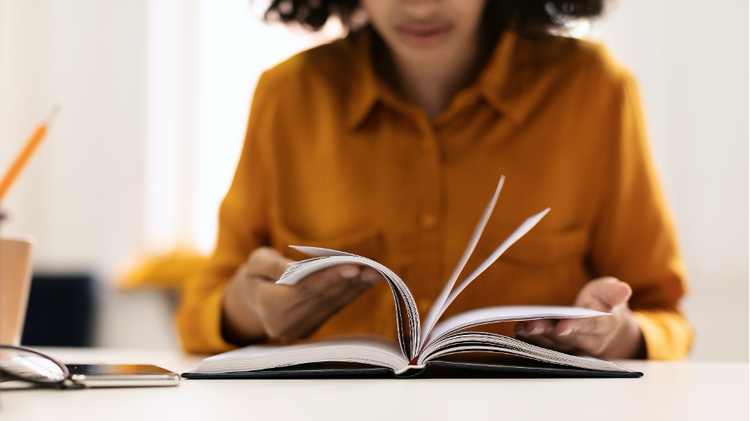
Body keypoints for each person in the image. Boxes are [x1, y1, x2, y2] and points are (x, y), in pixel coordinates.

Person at [177, 0, 692, 360]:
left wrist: (618, 333)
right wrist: (246, 309)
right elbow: (202, 308)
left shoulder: (596, 91)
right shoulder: (286, 97)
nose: (420, 5)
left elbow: (663, 318)